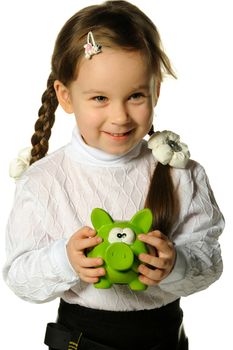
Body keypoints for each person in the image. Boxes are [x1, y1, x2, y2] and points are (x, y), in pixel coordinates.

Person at [3, 1, 224, 349]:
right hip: (80, 339)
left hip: (163, 338)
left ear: (156, 91)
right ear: (66, 96)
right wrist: (65, 259)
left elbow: (210, 262)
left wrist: (176, 264)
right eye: (100, 98)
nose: (120, 116)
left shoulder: (183, 174)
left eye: (136, 95)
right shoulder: (45, 180)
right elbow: (18, 277)